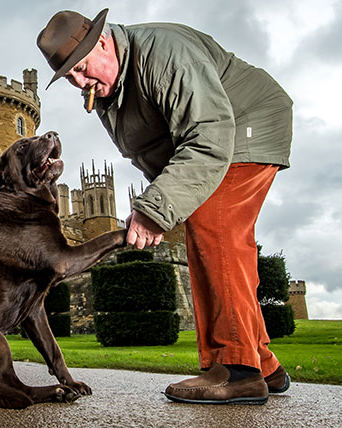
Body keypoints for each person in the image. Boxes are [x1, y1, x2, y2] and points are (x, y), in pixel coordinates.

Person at [37, 9, 293, 405]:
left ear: (104, 42)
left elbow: (208, 132)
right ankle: (263, 364)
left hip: (244, 123)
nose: (82, 83)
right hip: (205, 140)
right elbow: (151, 152)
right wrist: (158, 205)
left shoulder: (166, 55)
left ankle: (239, 371)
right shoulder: (108, 94)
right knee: (216, 238)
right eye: (71, 77)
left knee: (214, 227)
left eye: (84, 69)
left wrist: (158, 206)